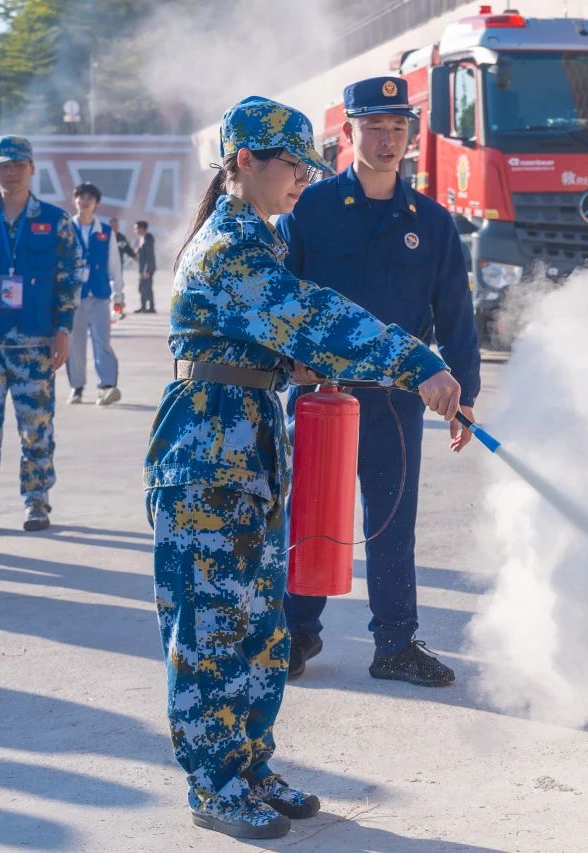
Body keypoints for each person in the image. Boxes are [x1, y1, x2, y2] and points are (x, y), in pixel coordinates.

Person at [145, 96, 463, 840]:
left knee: (258, 628)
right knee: (211, 630)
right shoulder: (231, 245)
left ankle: (251, 767)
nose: (302, 179)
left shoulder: (256, 237)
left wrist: (293, 366)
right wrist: (415, 360)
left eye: (308, 167)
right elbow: (312, 315)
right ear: (245, 161)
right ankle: (214, 784)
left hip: (246, 450)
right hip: (207, 457)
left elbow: (279, 335)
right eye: (292, 165)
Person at [276, 76, 481, 687]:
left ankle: (395, 643)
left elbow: (456, 315)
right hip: (320, 395)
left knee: (392, 519)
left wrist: (463, 396)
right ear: (348, 132)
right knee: (310, 515)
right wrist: (290, 360)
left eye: (398, 128)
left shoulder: (432, 223)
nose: (388, 140)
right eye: (374, 127)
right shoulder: (309, 209)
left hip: (394, 401)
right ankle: (296, 633)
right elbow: (281, 296)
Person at [0, 135, 79, 532]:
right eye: (3, 165)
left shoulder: (56, 221)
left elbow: (69, 278)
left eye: (18, 165)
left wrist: (64, 330)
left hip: (36, 340)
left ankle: (37, 502)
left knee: (37, 428)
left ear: (32, 168)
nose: (11, 172)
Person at [65, 182, 124, 405]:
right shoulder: (65, 229)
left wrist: (118, 294)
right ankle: (77, 387)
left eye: (89, 198)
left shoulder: (105, 232)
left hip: (99, 295)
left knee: (102, 341)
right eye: (81, 196)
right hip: (73, 297)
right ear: (75, 200)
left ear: (96, 204)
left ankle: (107, 386)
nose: (84, 201)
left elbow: (114, 265)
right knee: (75, 344)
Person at [127, 219, 156, 312]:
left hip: (147, 269)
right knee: (142, 287)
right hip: (143, 268)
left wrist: (147, 270)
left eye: (136, 229)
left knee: (147, 287)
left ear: (142, 229)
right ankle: (143, 306)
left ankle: (151, 307)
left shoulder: (148, 239)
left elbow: (149, 256)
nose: (135, 231)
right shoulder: (142, 239)